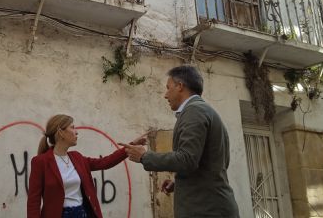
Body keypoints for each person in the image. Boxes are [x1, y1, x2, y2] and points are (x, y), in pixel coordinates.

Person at [120, 65, 239, 218]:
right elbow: (210, 165)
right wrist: (179, 184)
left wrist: (145, 156)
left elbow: (187, 159)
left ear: (180, 86)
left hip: (206, 210)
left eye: (168, 88)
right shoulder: (204, 111)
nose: (165, 95)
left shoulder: (194, 111)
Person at [27, 114, 146, 218]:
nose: (76, 132)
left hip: (82, 213)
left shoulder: (77, 158)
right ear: (61, 132)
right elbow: (34, 201)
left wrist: (129, 147)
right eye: (72, 128)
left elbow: (105, 162)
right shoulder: (40, 162)